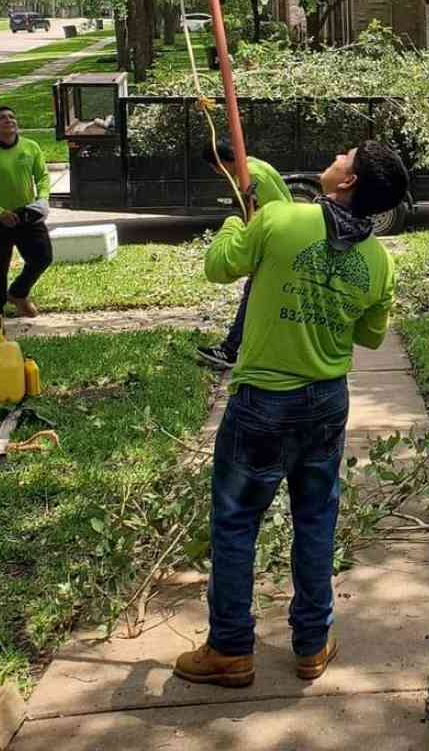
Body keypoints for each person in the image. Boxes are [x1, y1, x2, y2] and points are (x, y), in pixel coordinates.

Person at [175, 140, 410, 690]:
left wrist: (241, 224)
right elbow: (370, 336)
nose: (333, 155)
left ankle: (231, 649)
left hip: (262, 402)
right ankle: (311, 644)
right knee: (315, 520)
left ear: (347, 182)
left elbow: (217, 267)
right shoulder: (378, 261)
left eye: (344, 156)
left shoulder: (278, 220)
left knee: (235, 522)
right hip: (326, 403)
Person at [198, 142, 294, 371]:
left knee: (253, 295)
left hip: (277, 240)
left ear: (219, 164)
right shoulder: (255, 164)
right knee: (262, 295)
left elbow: (257, 216)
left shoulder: (247, 175)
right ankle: (240, 347)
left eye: (214, 168)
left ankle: (230, 350)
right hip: (286, 234)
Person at [0, 105, 54, 333]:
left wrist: (42, 200)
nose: (9, 120)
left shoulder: (30, 147)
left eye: (12, 117)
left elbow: (43, 176)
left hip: (28, 214)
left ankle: (17, 294)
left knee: (43, 257)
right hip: (0, 221)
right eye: (2, 118)